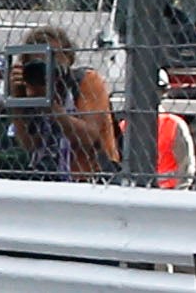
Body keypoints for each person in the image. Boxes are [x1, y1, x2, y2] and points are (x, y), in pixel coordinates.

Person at [12, 26, 117, 179]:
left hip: (89, 176)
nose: (46, 65)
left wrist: (50, 104)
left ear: (67, 57)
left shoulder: (86, 80)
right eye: (37, 61)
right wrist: (18, 98)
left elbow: (88, 137)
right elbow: (29, 144)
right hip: (47, 176)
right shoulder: (33, 86)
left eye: (52, 57)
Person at [120, 69, 194, 189]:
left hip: (168, 194)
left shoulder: (174, 125)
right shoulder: (126, 126)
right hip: (136, 191)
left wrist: (179, 195)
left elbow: (186, 167)